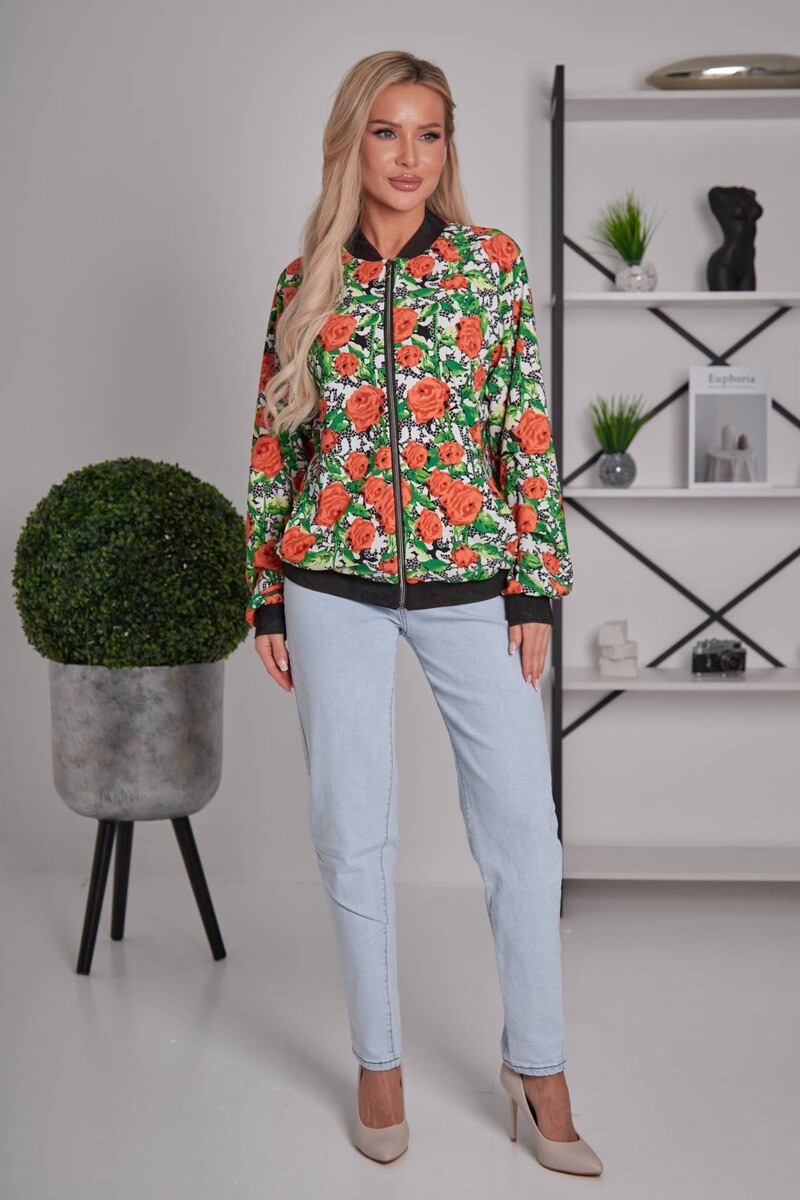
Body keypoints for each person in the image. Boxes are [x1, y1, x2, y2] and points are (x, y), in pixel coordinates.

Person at [244, 50, 602, 1176]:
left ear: (448, 148)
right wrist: (265, 592)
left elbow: (524, 429)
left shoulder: (489, 267)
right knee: (351, 827)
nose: (409, 157)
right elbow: (274, 443)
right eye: (387, 132)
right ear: (351, 142)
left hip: (472, 582)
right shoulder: (305, 282)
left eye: (429, 134)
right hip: (328, 583)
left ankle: (538, 1066)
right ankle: (379, 1062)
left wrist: (535, 581)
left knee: (523, 829)